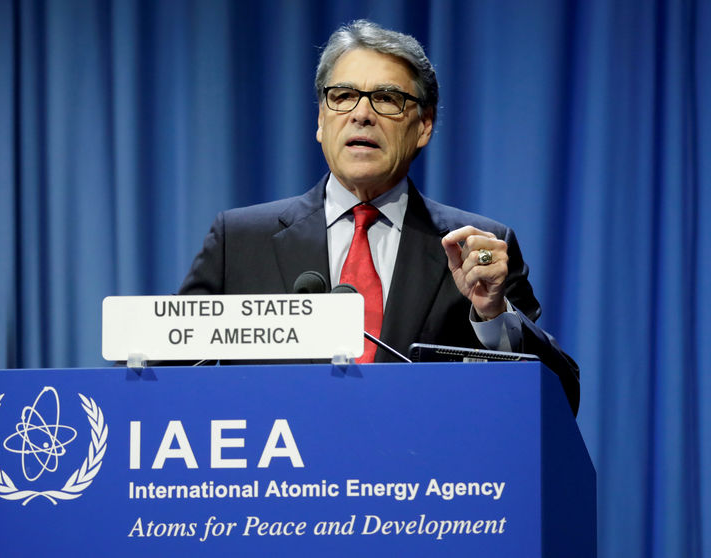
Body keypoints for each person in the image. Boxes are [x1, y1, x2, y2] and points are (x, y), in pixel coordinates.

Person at [179, 20, 580, 415]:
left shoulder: (478, 248)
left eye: (387, 99)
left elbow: (562, 398)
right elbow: (160, 389)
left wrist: (492, 315)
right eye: (343, 95)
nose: (362, 114)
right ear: (321, 119)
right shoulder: (241, 242)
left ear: (424, 126)